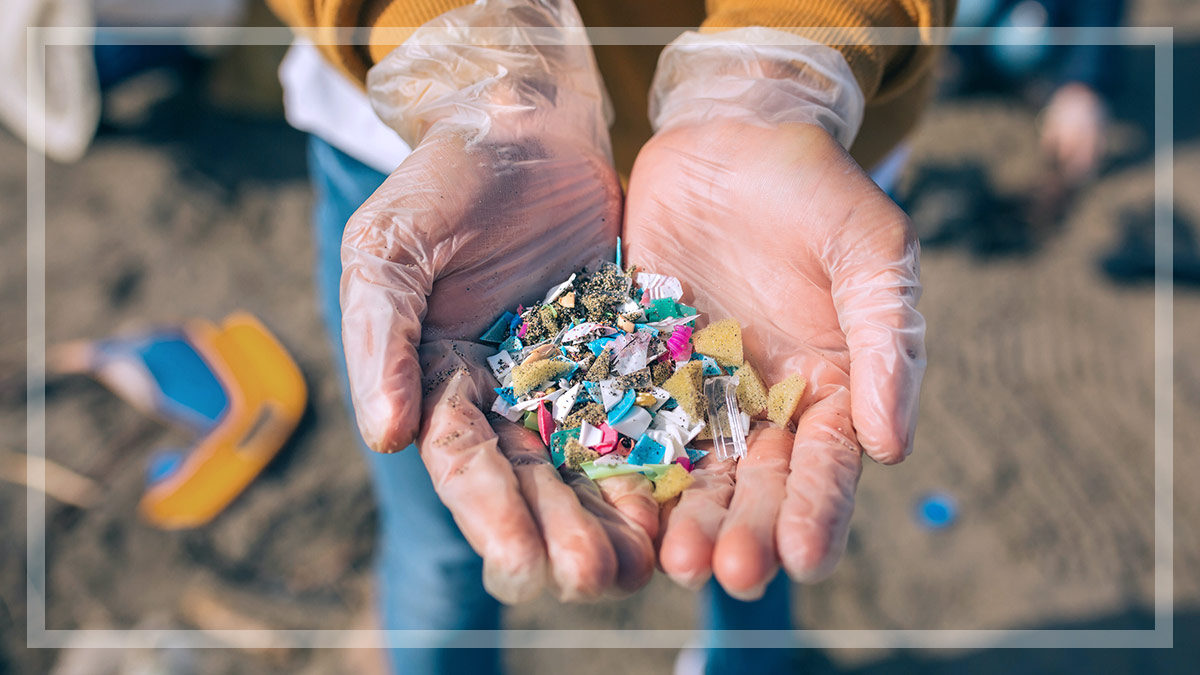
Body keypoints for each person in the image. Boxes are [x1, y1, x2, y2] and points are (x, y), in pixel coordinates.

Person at [269, 0, 944, 672]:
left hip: (794, 166)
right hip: (436, 145)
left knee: (753, 532)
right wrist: (468, 66)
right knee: (441, 538)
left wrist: (785, 68)